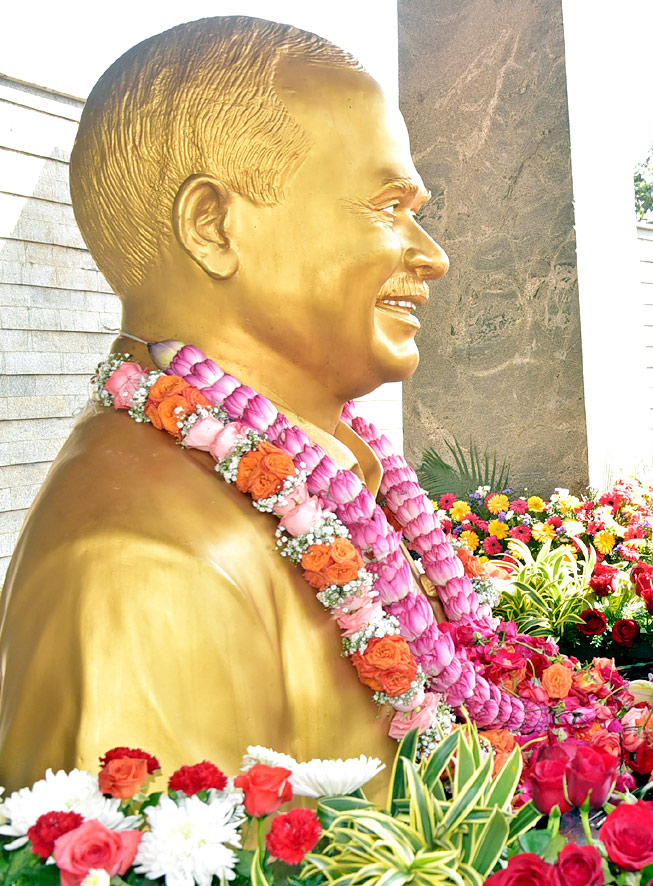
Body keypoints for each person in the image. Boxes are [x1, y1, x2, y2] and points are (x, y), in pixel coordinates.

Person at [0, 18, 448, 786]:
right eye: (387, 205)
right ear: (213, 225)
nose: (431, 255)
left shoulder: (316, 472)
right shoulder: (147, 567)